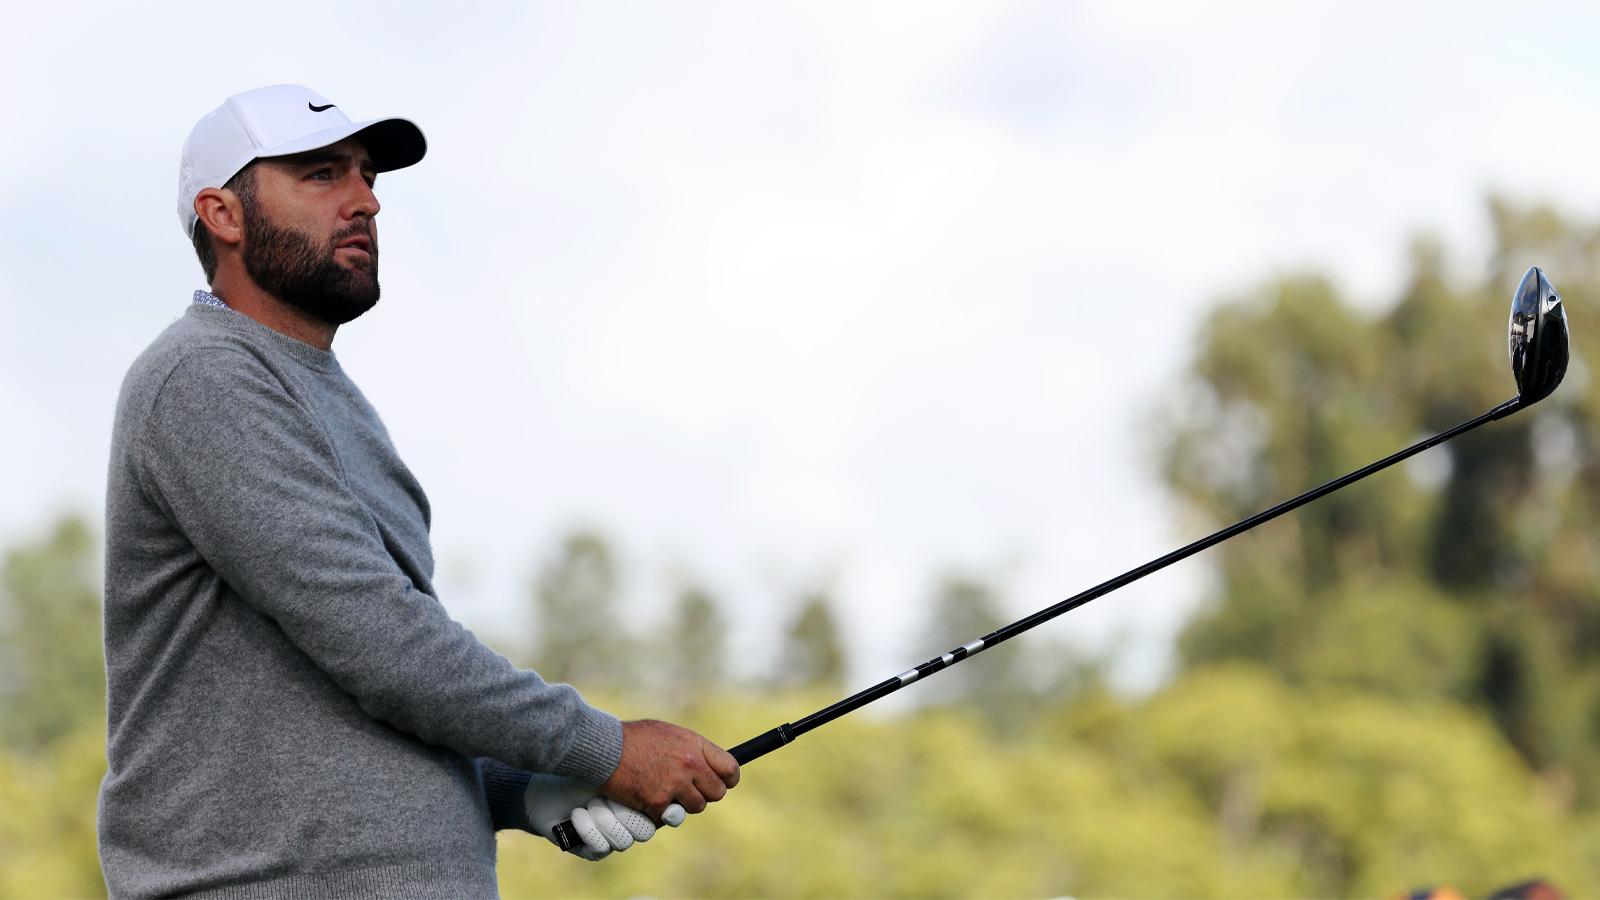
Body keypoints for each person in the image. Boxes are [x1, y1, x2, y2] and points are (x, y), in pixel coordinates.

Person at [99, 84, 739, 899]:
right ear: (222, 215)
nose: (365, 201)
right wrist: (604, 748)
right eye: (323, 175)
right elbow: (381, 643)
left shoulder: (332, 399)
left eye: (368, 178)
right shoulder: (203, 377)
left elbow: (368, 682)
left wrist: (518, 789)